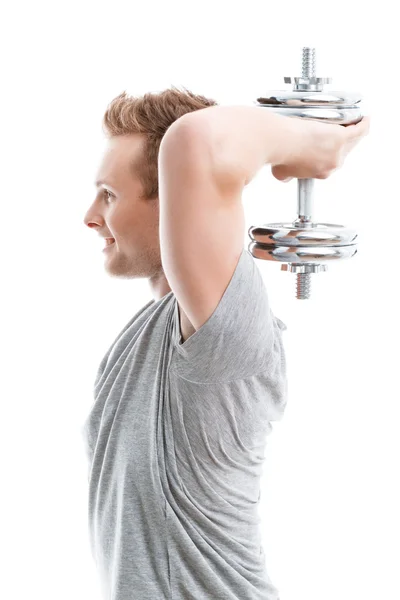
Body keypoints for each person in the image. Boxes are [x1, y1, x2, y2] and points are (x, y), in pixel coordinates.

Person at [82, 86, 370, 600]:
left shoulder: (228, 338)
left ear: (172, 198)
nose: (90, 215)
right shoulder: (145, 336)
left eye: (110, 194)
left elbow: (196, 140)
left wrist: (312, 144)